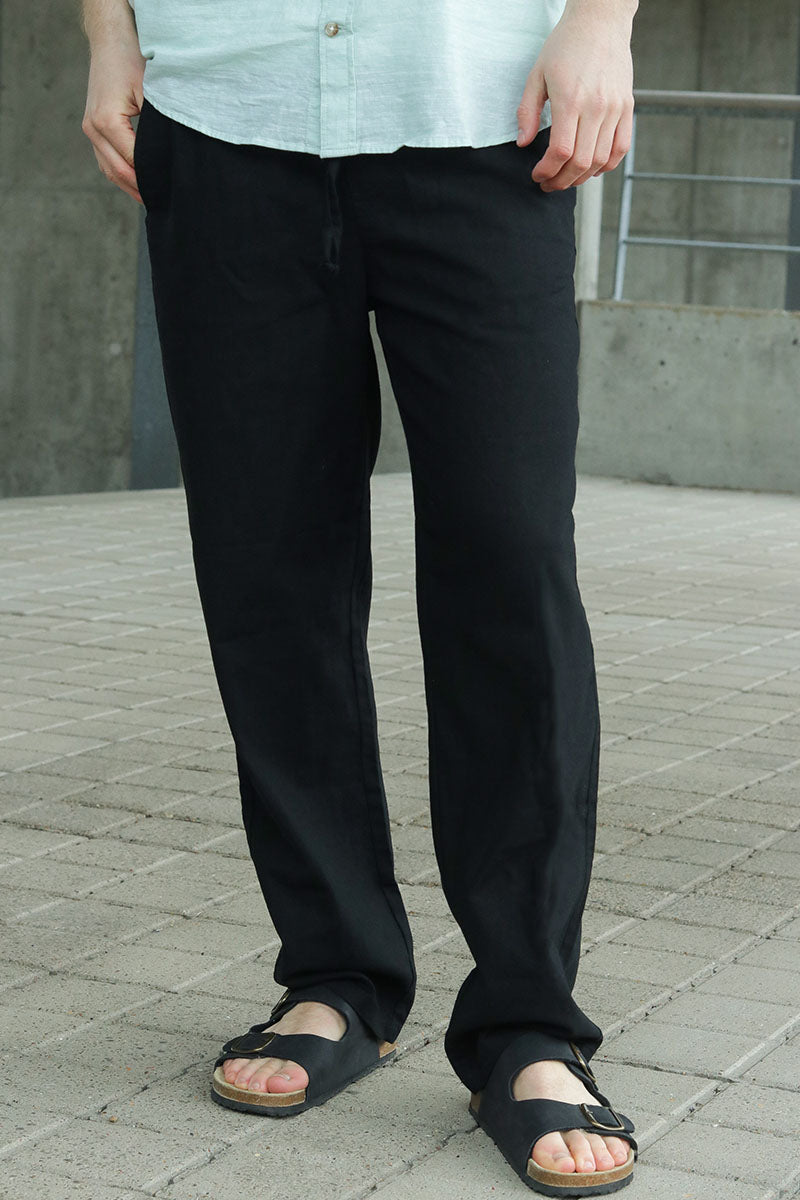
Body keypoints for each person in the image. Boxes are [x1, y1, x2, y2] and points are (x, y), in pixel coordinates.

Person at [81, 0, 640, 1193]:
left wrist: (602, 21)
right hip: (226, 114)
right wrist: (106, 36)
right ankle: (335, 972)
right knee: (267, 568)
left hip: (483, 114)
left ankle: (527, 1021)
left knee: (509, 561)